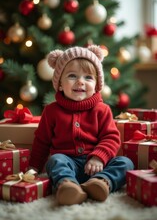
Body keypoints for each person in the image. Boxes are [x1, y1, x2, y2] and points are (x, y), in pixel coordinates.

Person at [29, 45, 134, 206]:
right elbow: (42, 141)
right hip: (67, 162)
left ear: (97, 84)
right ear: (60, 84)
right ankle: (68, 186)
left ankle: (101, 183)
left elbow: (111, 137)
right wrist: (34, 167)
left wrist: (99, 157)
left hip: (98, 166)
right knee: (55, 161)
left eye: (88, 77)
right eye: (72, 76)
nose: (80, 82)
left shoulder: (102, 110)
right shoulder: (51, 111)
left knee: (126, 163)